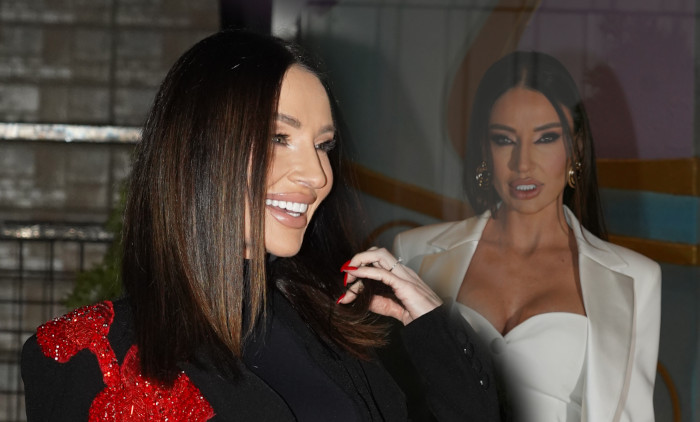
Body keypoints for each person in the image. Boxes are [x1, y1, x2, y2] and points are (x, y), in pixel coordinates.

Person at [21, 30, 502, 421]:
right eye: (278, 137)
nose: (318, 175)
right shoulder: (88, 352)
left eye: (323, 145)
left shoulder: (328, 327)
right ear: (200, 150)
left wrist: (432, 331)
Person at [393, 51, 661, 422]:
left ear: (576, 148)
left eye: (545, 138)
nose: (522, 164)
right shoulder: (415, 253)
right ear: (485, 149)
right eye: (504, 140)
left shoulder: (635, 280)